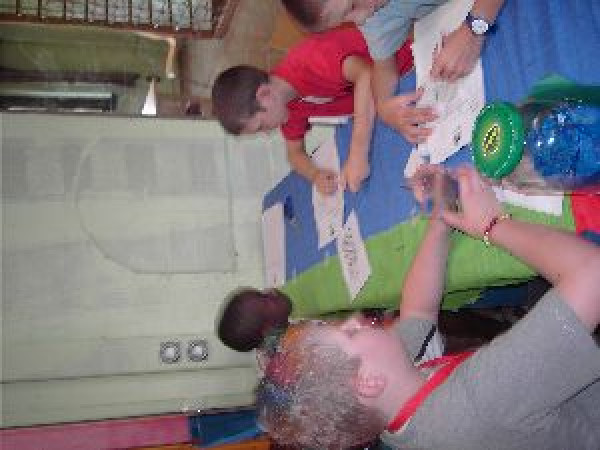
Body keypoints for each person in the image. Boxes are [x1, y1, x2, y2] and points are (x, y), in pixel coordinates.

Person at [256, 166, 600, 449]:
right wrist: (492, 224)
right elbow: (592, 272)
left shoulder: (390, 398)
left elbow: (417, 311)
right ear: (368, 382)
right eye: (349, 334)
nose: (356, 319)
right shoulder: (473, 404)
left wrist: (440, 219)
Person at [212, 26, 413, 195]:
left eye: (260, 126)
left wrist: (358, 153)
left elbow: (366, 75)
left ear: (264, 95)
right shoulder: (286, 106)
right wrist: (315, 175)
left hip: (409, 66)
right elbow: (294, 153)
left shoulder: (309, 61)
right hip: (389, 101)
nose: (266, 133)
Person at [281, 0, 506, 143]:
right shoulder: (371, 13)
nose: (360, 19)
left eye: (352, 7)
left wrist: (473, 30)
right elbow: (383, 66)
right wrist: (383, 106)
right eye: (344, 20)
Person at [216, 287, 293, 352]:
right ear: (269, 329)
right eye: (265, 298)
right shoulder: (293, 346)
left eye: (261, 292)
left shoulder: (276, 338)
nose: (271, 291)